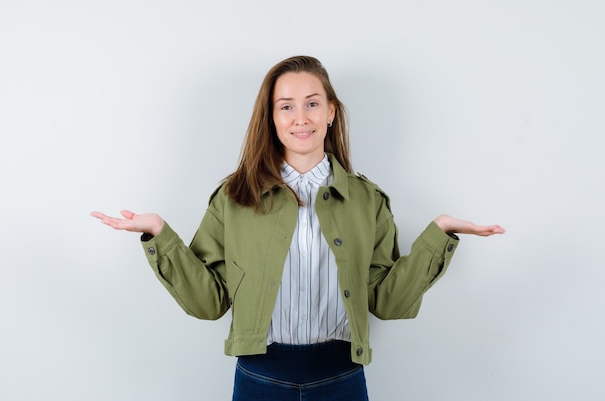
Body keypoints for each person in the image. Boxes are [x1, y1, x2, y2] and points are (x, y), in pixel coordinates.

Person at [91, 55, 504, 401]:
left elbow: (387, 302)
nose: (300, 117)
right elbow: (208, 303)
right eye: (286, 106)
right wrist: (159, 235)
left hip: (341, 380)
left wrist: (439, 235)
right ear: (271, 118)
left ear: (330, 112)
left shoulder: (368, 200)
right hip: (259, 380)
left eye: (311, 103)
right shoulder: (234, 198)